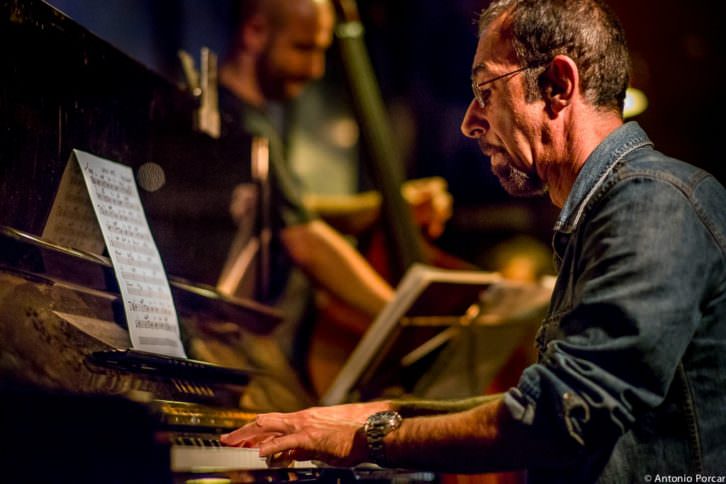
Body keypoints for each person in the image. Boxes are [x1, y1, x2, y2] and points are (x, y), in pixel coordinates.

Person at [219, 0, 726, 481]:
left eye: (486, 92)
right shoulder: (617, 209)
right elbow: (541, 398)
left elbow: (561, 412)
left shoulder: (652, 202)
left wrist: (369, 437)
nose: (468, 122)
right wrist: (376, 412)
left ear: (557, 85)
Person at [213, 0, 452, 390]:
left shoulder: (252, 122)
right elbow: (306, 240)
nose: (316, 69)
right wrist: (408, 319)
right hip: (234, 348)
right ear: (255, 32)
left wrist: (391, 205)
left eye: (321, 52)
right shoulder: (235, 126)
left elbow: (296, 211)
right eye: (304, 49)